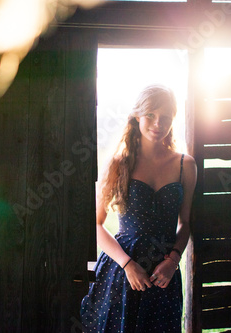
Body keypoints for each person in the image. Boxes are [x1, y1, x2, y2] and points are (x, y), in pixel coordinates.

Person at [80, 85, 197, 332]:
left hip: (163, 274)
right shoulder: (119, 163)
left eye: (165, 117)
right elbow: (96, 223)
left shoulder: (185, 165)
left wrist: (173, 260)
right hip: (123, 271)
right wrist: (127, 265)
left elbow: (185, 223)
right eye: (151, 115)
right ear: (137, 117)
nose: (158, 123)